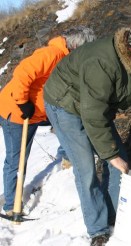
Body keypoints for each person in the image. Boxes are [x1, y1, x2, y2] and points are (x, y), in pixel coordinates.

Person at [43, 21, 131, 246]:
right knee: (86, 168)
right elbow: (92, 114)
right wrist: (110, 154)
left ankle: (115, 215)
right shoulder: (102, 62)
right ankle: (98, 229)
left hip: (92, 107)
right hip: (64, 104)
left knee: (119, 161)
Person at [0, 26, 96, 217]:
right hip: (18, 112)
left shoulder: (70, 59)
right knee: (17, 159)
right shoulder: (51, 53)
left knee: (70, 122)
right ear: (77, 45)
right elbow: (22, 73)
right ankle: (10, 204)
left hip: (40, 113)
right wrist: (22, 102)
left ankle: (66, 155)